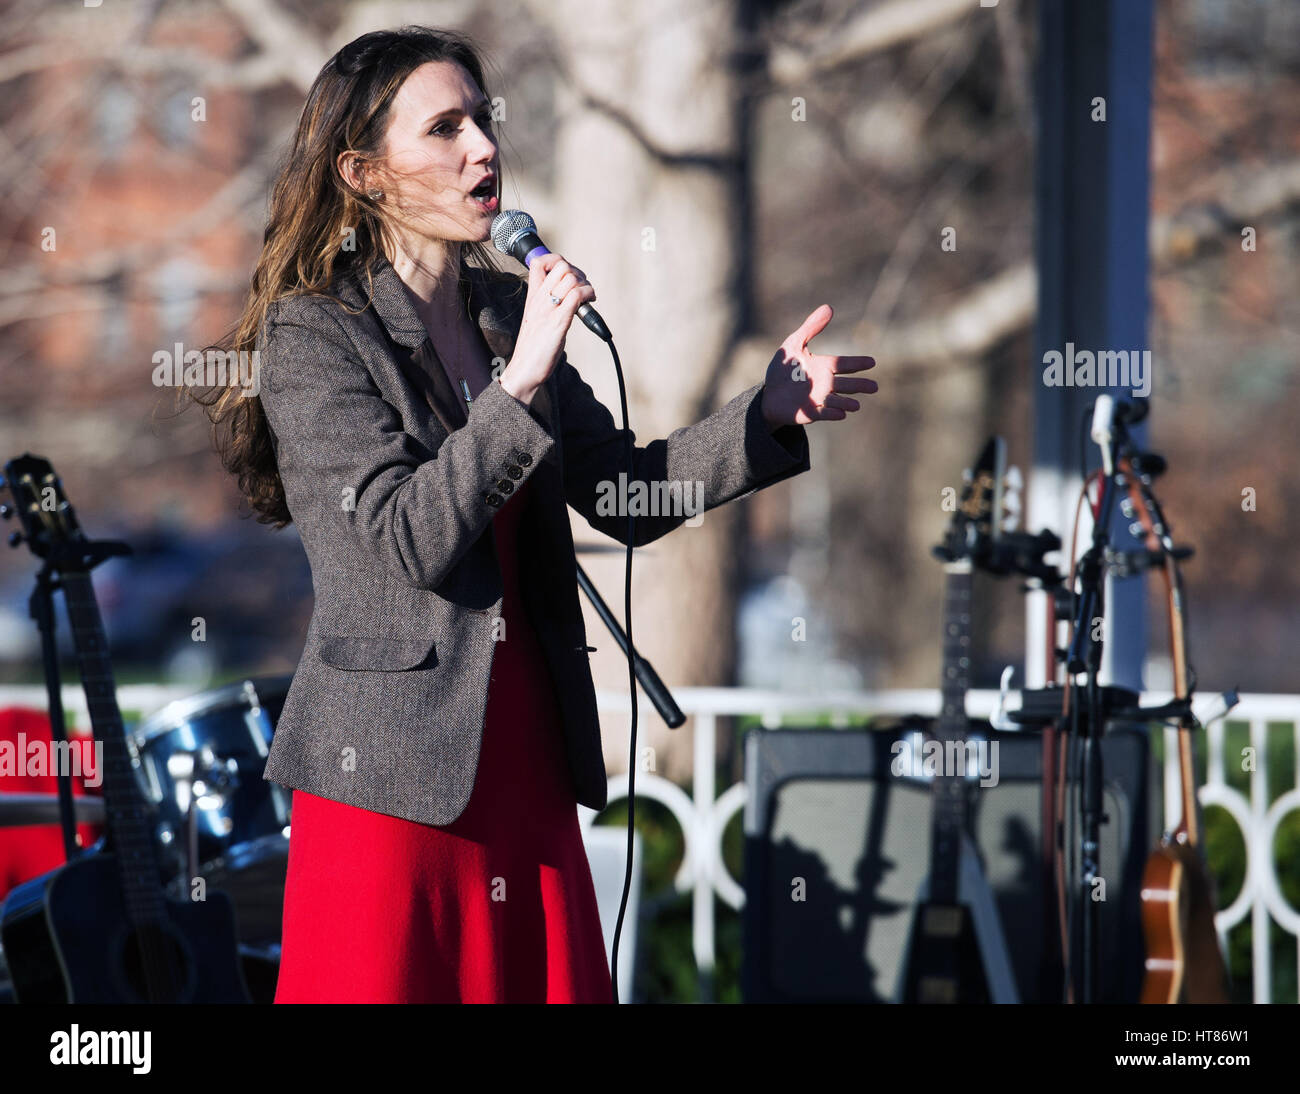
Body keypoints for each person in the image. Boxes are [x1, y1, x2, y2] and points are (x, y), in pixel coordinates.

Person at [195, 25, 877, 1004]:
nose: (483, 145)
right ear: (365, 172)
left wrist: (763, 417)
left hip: (528, 759)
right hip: (392, 780)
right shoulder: (317, 332)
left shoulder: (504, 315)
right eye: (444, 127)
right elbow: (403, 536)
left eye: (483, 118)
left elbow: (625, 496)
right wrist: (514, 390)